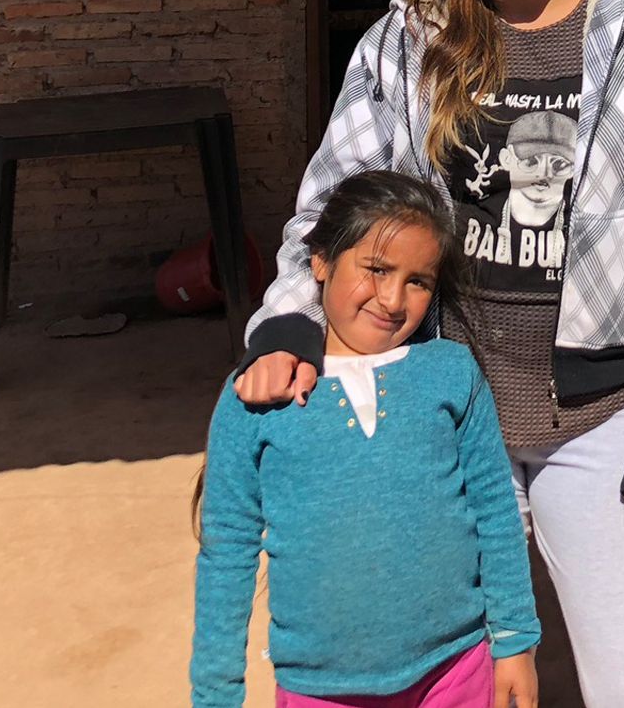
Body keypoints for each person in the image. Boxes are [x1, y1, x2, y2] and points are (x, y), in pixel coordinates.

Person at [235, 0, 624, 708]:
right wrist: (288, 324)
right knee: (445, 676)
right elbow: (333, 200)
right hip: (443, 411)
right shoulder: (409, 40)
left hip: (600, 414)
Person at [192, 170, 540, 708]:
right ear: (321, 261)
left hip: (456, 670)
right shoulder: (260, 393)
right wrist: (216, 693)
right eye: (376, 269)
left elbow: (496, 513)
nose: (394, 299)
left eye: (419, 281)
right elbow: (227, 552)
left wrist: (515, 640)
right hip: (320, 689)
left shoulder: (451, 372)